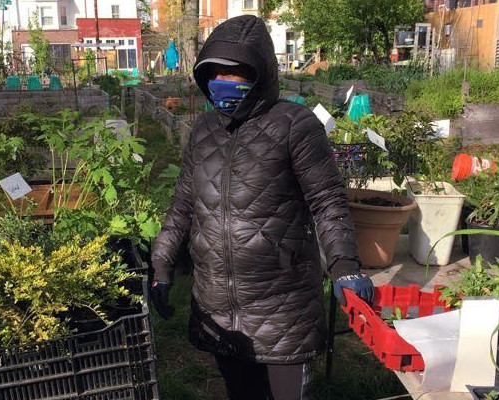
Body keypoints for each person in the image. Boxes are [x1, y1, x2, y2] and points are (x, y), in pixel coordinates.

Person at [149, 15, 374, 400]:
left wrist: (344, 267)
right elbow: (183, 204)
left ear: (260, 73)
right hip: (217, 303)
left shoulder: (294, 124)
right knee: (241, 393)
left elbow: (327, 201)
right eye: (215, 72)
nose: (225, 81)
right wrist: (162, 264)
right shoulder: (203, 131)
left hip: (282, 303)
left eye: (236, 72)